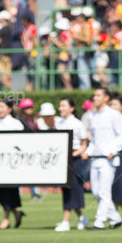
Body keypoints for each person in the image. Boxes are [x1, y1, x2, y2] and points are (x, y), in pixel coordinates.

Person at [85, 87, 122, 230]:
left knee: (104, 192)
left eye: (98, 95)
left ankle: (99, 221)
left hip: (108, 159)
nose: (94, 98)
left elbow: (121, 136)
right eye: (94, 95)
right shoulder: (93, 115)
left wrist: (112, 150)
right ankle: (115, 217)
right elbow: (94, 140)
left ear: (106, 98)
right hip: (95, 157)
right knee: (96, 192)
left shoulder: (114, 114)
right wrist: (88, 151)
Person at [54, 98, 90, 231]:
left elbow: (84, 145)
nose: (60, 108)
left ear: (71, 108)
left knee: (74, 188)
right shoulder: (59, 123)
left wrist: (73, 155)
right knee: (67, 189)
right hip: (63, 159)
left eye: (63, 106)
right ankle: (81, 217)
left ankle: (66, 221)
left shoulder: (77, 124)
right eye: (60, 106)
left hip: (75, 159)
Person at [0, 99, 25, 230]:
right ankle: (17, 213)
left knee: (10, 191)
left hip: (11, 165)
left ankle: (6, 219)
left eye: (2, 107)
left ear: (9, 109)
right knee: (0, 192)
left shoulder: (16, 124)